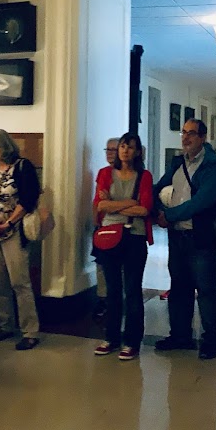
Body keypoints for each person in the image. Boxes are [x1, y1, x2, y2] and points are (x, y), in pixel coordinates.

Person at [152, 118, 216, 359]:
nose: (185, 137)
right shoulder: (177, 163)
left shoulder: (213, 166)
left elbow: (201, 202)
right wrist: (155, 210)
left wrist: (169, 215)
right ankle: (180, 335)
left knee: (206, 290)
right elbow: (159, 188)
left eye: (191, 133)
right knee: (179, 288)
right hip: (177, 237)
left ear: (202, 137)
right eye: (183, 132)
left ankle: (211, 340)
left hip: (200, 238)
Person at [0, 129, 41, 351]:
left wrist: (8, 223)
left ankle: (30, 331)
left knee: (20, 282)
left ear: (3, 147)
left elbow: (28, 199)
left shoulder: (23, 167)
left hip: (14, 231)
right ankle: (5, 324)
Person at [92, 132, 154, 361]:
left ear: (137, 152)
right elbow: (100, 205)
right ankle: (111, 337)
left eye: (130, 147)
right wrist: (129, 203)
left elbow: (144, 209)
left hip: (134, 237)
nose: (125, 151)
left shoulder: (144, 176)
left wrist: (113, 204)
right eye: (122, 146)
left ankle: (132, 341)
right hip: (109, 236)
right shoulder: (105, 173)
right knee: (112, 290)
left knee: (133, 290)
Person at [94, 137, 120, 320]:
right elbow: (100, 201)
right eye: (107, 149)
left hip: (120, 225)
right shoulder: (103, 172)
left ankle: (116, 301)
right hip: (102, 224)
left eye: (113, 149)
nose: (109, 153)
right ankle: (104, 300)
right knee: (101, 265)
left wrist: (111, 203)